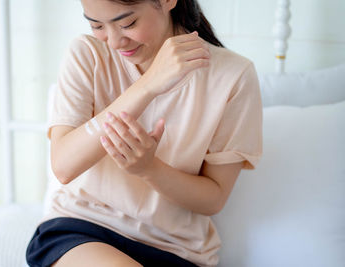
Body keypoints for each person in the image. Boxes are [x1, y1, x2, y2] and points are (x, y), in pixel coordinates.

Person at [26, 0, 263, 266]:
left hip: (176, 250)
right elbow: (64, 166)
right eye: (96, 25)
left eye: (127, 23)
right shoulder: (88, 54)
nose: (114, 41)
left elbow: (214, 198)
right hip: (83, 230)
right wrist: (149, 84)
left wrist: (149, 168)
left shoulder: (233, 76)